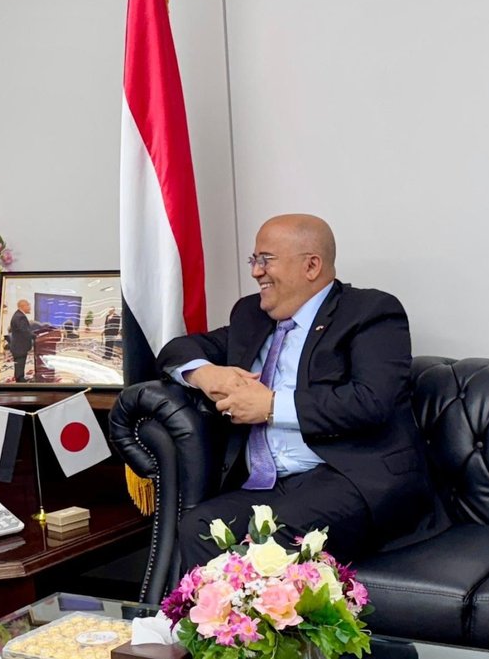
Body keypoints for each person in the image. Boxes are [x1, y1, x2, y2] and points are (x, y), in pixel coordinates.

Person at [158, 214, 441, 572]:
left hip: (347, 476)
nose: (256, 272)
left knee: (277, 534)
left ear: (311, 266)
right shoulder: (252, 315)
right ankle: (221, 612)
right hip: (268, 484)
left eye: (266, 260)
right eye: (254, 260)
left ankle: (255, 610)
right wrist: (205, 373)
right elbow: (176, 350)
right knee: (200, 527)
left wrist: (271, 406)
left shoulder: (370, 312)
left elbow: (372, 401)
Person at [8, 299, 34, 382]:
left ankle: (20, 378)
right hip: (20, 346)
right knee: (20, 363)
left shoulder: (18, 315)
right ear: (23, 306)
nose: (30, 307)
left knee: (20, 364)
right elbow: (24, 331)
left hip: (18, 345)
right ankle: (20, 380)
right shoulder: (20, 317)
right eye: (28, 305)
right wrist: (35, 336)